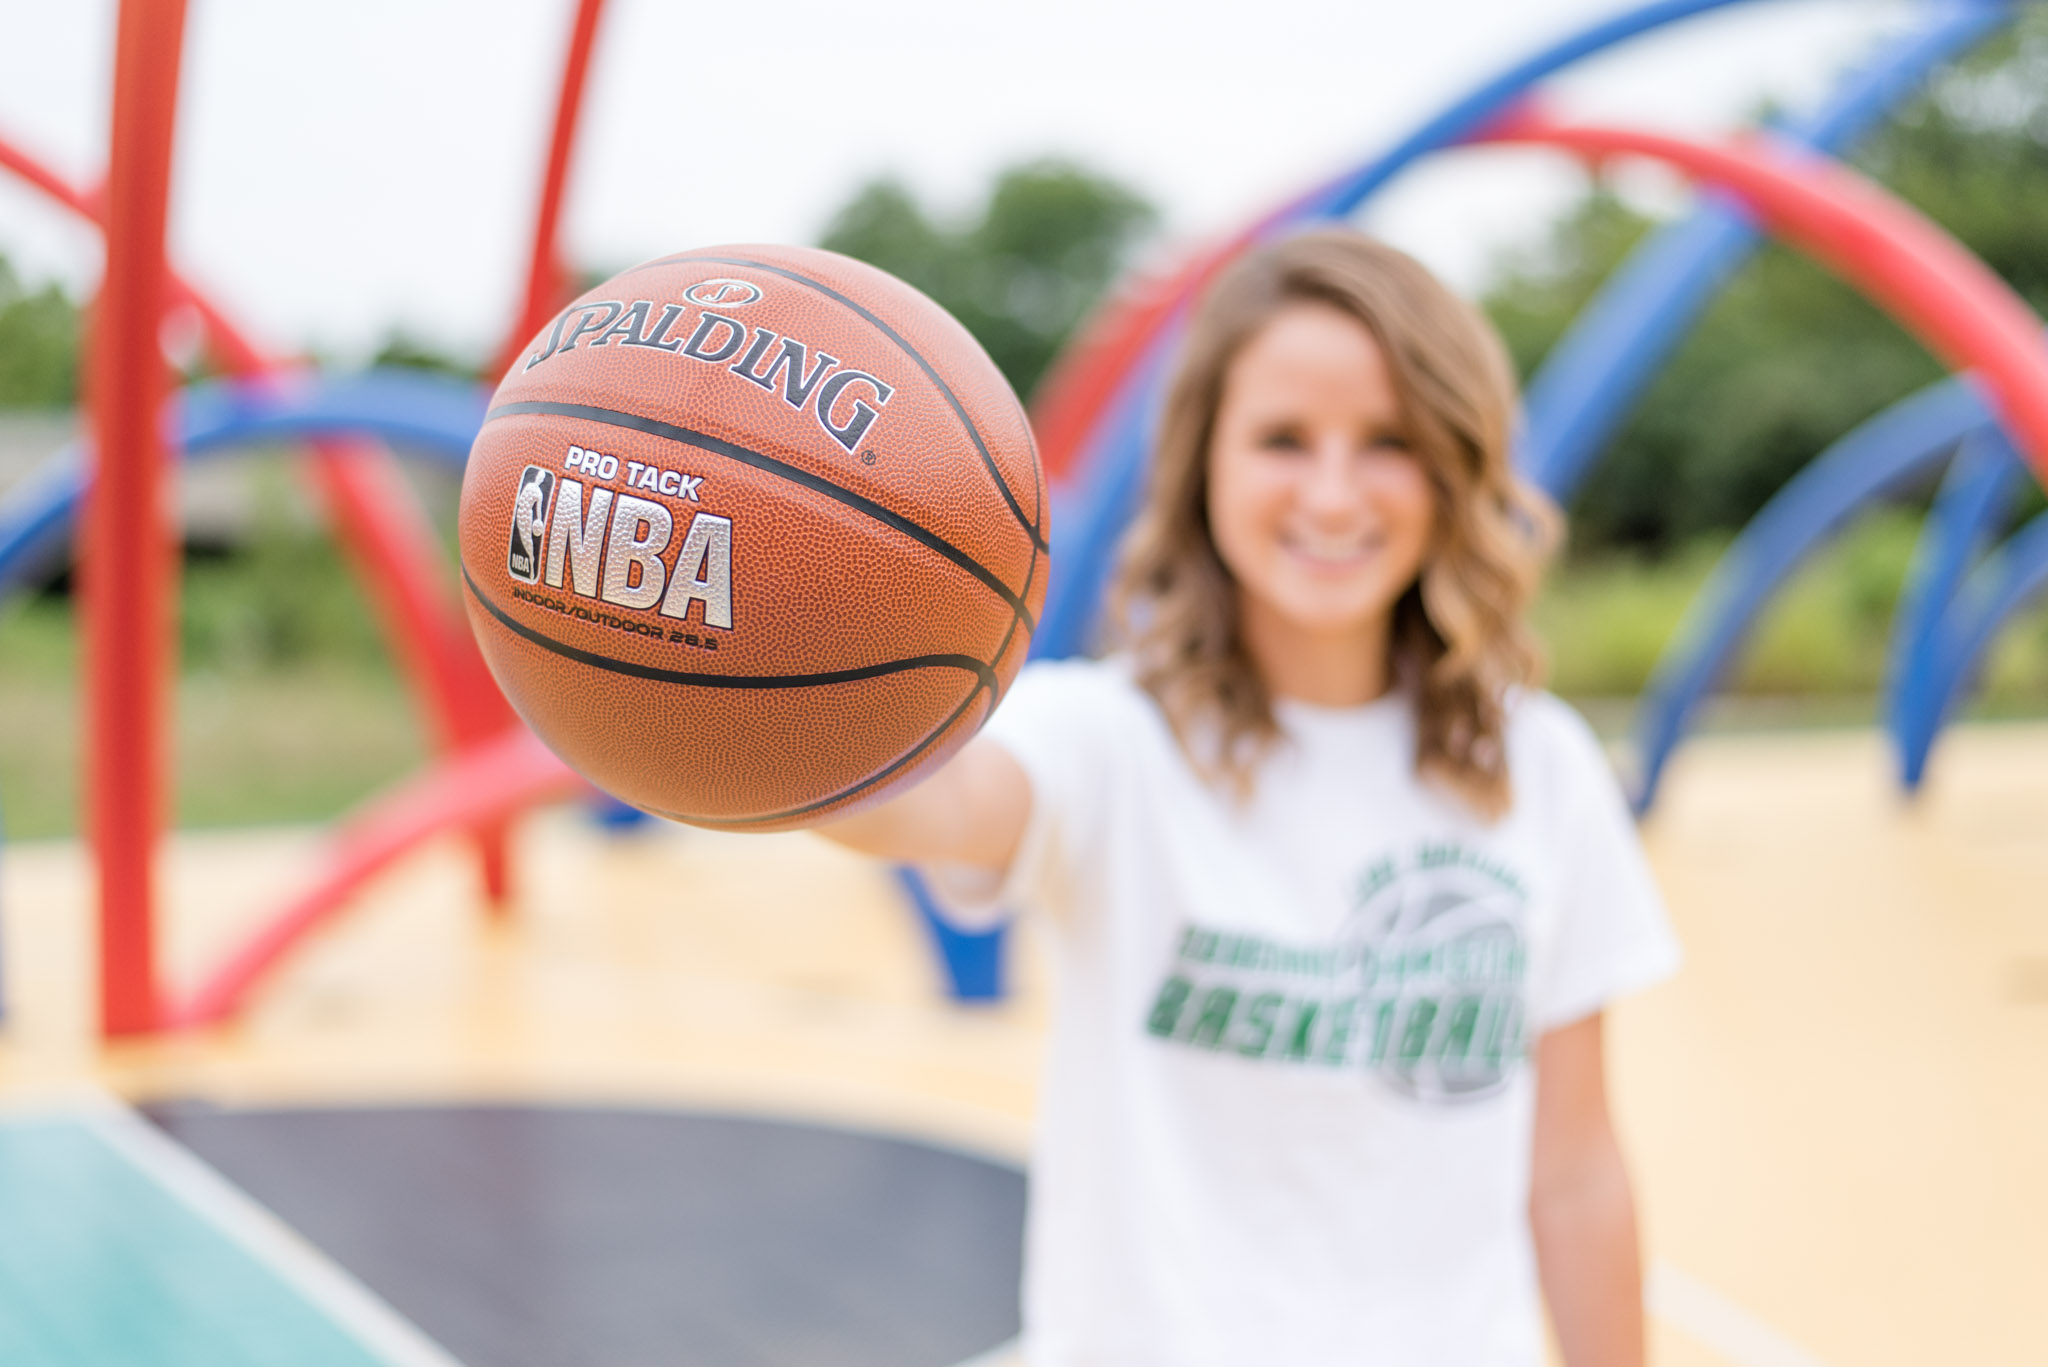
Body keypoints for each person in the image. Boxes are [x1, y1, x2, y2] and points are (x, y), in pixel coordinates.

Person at [818, 228, 1680, 1367]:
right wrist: (746, 683)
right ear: (1202, 465)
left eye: (1385, 441)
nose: (1330, 493)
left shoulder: (1543, 770)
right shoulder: (1106, 741)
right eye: (1281, 439)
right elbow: (906, 799)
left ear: (1453, 462)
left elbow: (1571, 1172)